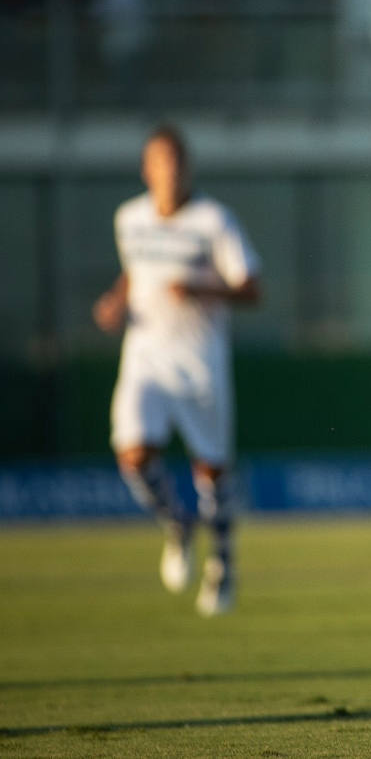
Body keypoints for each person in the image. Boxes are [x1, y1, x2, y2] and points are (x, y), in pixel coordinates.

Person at [93, 125, 262, 617]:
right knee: (133, 456)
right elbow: (135, 270)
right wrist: (115, 301)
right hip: (145, 357)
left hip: (199, 361)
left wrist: (201, 291)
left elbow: (252, 288)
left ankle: (223, 564)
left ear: (188, 167)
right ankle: (178, 524)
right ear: (147, 169)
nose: (170, 171)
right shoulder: (129, 219)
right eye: (161, 161)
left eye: (178, 161)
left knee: (212, 472)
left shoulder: (214, 221)